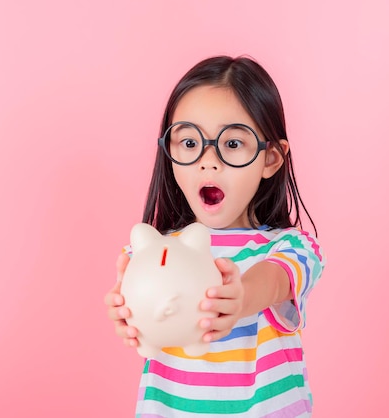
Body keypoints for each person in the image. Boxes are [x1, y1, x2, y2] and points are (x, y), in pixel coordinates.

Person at [104, 55, 326, 417]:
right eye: (189, 144)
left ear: (270, 157)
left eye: (233, 144)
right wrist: (126, 312)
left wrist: (238, 299)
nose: (209, 160)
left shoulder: (294, 248)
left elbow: (272, 282)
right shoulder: (150, 251)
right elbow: (135, 306)